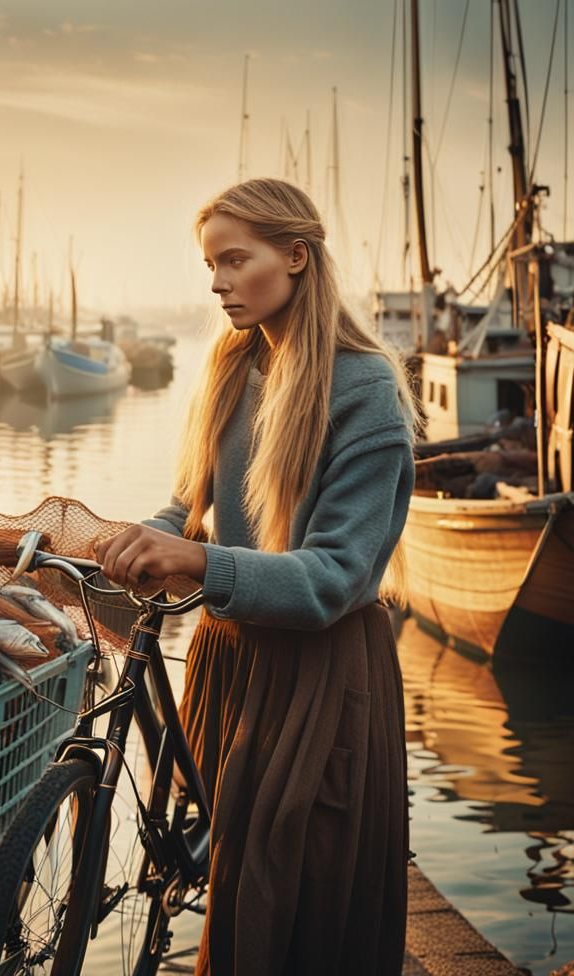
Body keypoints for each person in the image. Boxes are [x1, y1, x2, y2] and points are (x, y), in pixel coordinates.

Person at [96, 178, 415, 976]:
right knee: (235, 889)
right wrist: (147, 538)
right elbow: (188, 505)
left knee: (298, 902)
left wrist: (199, 561)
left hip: (320, 675)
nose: (217, 283)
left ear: (297, 257)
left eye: (236, 260)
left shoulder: (366, 389)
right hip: (230, 660)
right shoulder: (231, 370)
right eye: (210, 264)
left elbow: (336, 576)